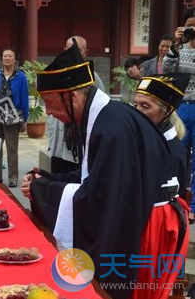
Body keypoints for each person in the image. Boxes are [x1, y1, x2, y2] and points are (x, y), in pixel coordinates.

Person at [20, 40, 173, 299]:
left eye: (49, 101)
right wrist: (46, 178)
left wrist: (44, 190)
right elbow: (92, 175)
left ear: (73, 96)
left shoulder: (111, 129)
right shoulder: (101, 117)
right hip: (138, 211)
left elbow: (102, 200)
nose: (47, 111)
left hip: (147, 225)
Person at [132, 73, 190, 299]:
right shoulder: (148, 139)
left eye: (145, 106)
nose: (137, 111)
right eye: (135, 104)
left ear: (166, 111)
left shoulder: (171, 150)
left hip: (158, 226)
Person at [47, 36, 104, 173]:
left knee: (74, 176)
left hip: (77, 139)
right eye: (69, 49)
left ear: (85, 53)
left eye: (77, 50)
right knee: (57, 175)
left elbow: (100, 107)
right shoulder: (56, 73)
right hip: (57, 137)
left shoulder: (92, 77)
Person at [164, 7, 195, 223]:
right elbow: (167, 70)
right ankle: (175, 198)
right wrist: (176, 45)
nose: (193, 28)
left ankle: (193, 206)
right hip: (182, 107)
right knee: (176, 154)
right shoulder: (179, 49)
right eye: (190, 24)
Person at [0, 48, 29, 188]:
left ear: (15, 59)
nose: (7, 58)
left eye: (10, 56)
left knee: (12, 148)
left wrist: (24, 120)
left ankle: (13, 177)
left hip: (13, 115)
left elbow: (24, 99)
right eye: (5, 56)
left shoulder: (21, 77)